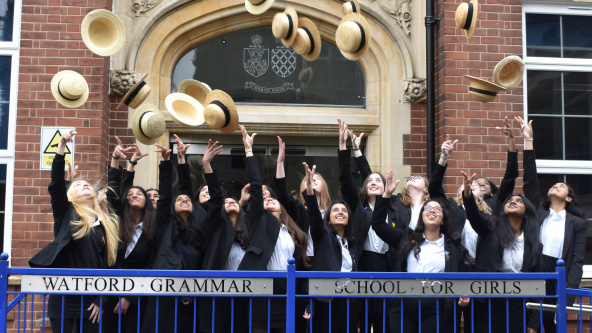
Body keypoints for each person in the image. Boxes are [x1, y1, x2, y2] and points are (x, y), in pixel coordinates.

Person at [29, 130, 120, 333]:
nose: (85, 184)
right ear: (71, 195)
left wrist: (99, 298)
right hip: (63, 294)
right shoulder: (65, 213)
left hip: (91, 298)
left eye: (87, 183)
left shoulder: (103, 223)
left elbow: (105, 265)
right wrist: (61, 145)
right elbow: (56, 185)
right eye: (78, 184)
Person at [372, 170, 469, 333]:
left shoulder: (452, 246)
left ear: (443, 218)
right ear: (421, 215)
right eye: (428, 208)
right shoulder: (406, 238)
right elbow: (378, 225)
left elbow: (461, 274)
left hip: (436, 307)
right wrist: (386, 194)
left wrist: (464, 294)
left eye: (437, 209)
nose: (432, 210)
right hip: (403, 306)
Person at [237, 125, 310, 333]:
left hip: (289, 288)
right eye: (265, 199)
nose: (269, 200)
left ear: (282, 207)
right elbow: (256, 184)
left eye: (273, 200)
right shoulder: (260, 221)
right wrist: (249, 151)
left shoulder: (294, 232)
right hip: (263, 285)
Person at [519, 116, 586, 333]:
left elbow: (576, 260)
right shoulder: (538, 209)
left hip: (558, 273)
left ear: (569, 198)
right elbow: (530, 180)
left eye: (562, 186)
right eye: (554, 184)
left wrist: (570, 295)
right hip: (534, 269)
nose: (556, 186)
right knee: (530, 325)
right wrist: (528, 142)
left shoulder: (577, 223)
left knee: (551, 324)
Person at [462, 169, 542, 333]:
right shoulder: (492, 225)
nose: (512, 201)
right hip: (489, 299)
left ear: (526, 210)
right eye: (509, 200)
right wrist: (468, 194)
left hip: (518, 302)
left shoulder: (533, 242)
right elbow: (474, 216)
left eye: (518, 201)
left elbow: (538, 283)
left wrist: (534, 321)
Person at [142, 135, 207, 333]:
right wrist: (166, 162)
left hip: (195, 292)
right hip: (165, 291)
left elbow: (187, 189)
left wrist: (182, 159)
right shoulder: (165, 224)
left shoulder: (199, 227)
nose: (184, 199)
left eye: (188, 199)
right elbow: (165, 195)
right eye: (179, 199)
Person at [338, 119, 392, 332]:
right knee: (361, 318)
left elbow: (370, 175)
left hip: (388, 267)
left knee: (384, 322)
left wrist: (359, 152)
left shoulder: (394, 208)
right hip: (364, 263)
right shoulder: (359, 209)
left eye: (378, 181)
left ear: (386, 187)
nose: (373, 183)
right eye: (370, 182)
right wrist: (346, 148)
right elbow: (346, 181)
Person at [103, 140, 156, 333]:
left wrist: (129, 297)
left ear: (147, 203)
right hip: (107, 291)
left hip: (138, 296)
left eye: (139, 194)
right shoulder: (118, 222)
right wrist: (118, 159)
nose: (134, 195)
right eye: (130, 194)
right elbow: (116, 190)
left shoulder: (152, 230)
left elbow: (151, 264)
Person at [197, 139, 249, 333]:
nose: (230, 202)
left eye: (233, 201)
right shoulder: (215, 226)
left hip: (246, 293)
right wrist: (207, 165)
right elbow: (217, 197)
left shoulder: (248, 231)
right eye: (226, 202)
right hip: (217, 293)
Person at [303, 162, 359, 332]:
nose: (340, 212)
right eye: (335, 210)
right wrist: (310, 192)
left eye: (344, 210)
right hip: (326, 299)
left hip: (348, 301)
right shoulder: (323, 236)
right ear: (328, 218)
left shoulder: (352, 247)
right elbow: (314, 217)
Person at [350, 130, 429, 231]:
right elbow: (368, 177)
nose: (412, 177)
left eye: (417, 177)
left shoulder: (431, 205)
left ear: (425, 189)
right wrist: (357, 150)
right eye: (410, 178)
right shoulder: (397, 201)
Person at [475, 116, 519, 216]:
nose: (482, 184)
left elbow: (510, 176)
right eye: (477, 183)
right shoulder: (465, 206)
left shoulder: (498, 200)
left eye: (486, 183)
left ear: (492, 192)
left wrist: (511, 140)